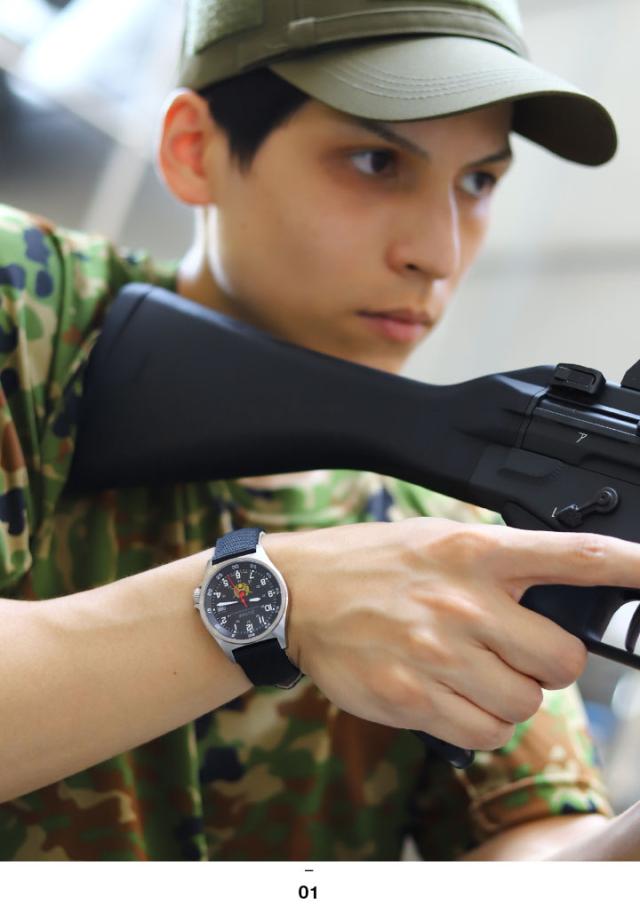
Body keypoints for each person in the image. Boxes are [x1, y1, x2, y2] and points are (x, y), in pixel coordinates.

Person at [0, 0, 639, 861]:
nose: (439, 252)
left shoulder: (445, 511)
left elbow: (530, 849)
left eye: (479, 182)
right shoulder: (25, 303)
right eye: (377, 161)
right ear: (193, 150)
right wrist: (277, 597)